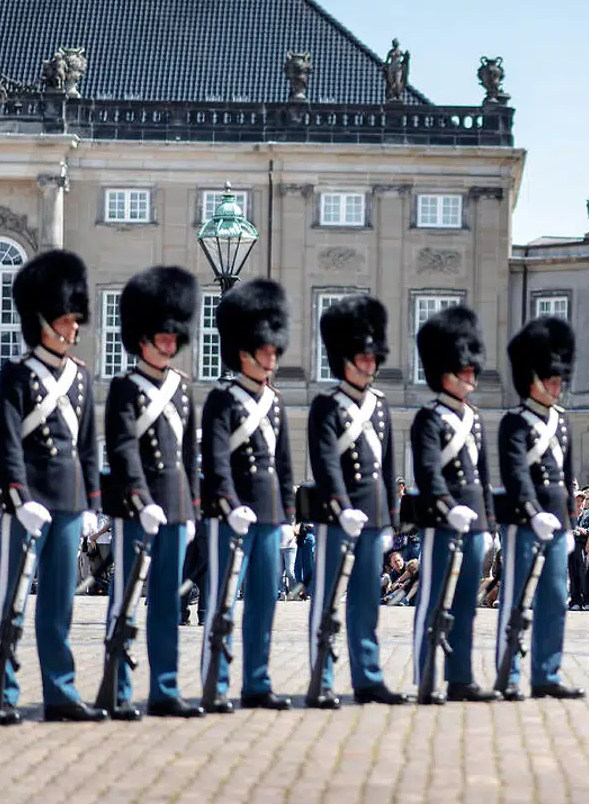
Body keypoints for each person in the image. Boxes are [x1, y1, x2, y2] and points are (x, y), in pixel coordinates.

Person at [0, 249, 105, 724]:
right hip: (30, 503)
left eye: (76, 319)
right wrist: (18, 496)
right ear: (43, 321)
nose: (75, 327)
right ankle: (3, 692)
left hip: (71, 502)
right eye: (66, 319)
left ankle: (60, 691)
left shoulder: (80, 378)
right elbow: (7, 443)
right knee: (11, 603)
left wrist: (93, 503)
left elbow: (88, 447)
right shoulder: (16, 377)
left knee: (59, 605)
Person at [101, 266, 204, 720]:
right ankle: (118, 688)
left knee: (168, 601)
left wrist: (194, 507)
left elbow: (190, 453)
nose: (167, 343)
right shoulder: (125, 387)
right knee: (125, 599)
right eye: (160, 336)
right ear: (142, 338)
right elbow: (123, 448)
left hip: (177, 507)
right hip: (137, 509)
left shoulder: (182, 389)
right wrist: (141, 500)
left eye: (171, 337)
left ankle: (165, 687)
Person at [200, 278, 297, 713]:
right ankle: (216, 683)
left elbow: (285, 462)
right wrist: (226, 502)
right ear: (245, 353)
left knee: (263, 603)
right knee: (223, 601)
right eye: (266, 352)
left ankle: (257, 680)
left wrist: (289, 513)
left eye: (275, 352)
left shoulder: (274, 402)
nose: (272, 359)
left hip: (271, 514)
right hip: (234, 514)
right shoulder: (223, 398)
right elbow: (216, 457)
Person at [305, 295, 405, 709]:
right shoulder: (327, 405)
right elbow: (326, 460)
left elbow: (387, 465)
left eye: (371, 358)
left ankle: (368, 677)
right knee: (328, 601)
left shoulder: (379, 406)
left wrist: (390, 521)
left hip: (372, 519)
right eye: (361, 357)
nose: (368, 364)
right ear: (345, 359)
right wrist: (340, 505)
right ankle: (320, 678)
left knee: (367, 604)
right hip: (338, 517)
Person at [410, 304, 498, 703]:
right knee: (433, 601)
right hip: (444, 521)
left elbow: (482, 474)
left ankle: (460, 676)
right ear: (445, 372)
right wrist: (448, 506)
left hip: (473, 521)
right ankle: (426, 674)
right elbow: (429, 473)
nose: (471, 376)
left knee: (466, 604)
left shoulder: (474, 419)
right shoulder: (429, 418)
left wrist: (489, 522)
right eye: (465, 370)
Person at [495, 315, 584, 701]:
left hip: (556, 526)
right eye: (551, 378)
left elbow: (566, 478)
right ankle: (508, 673)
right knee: (516, 601)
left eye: (559, 378)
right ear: (532, 378)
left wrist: (569, 524)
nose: (557, 385)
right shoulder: (514, 422)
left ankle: (546, 672)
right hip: (524, 522)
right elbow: (516, 473)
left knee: (554, 602)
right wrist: (534, 512)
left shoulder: (561, 423)